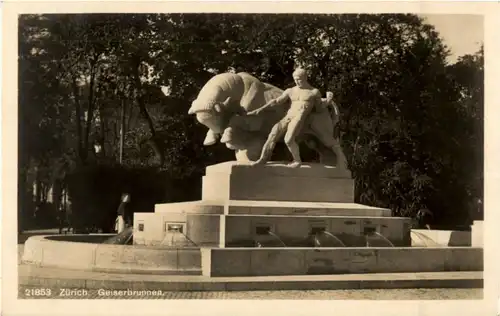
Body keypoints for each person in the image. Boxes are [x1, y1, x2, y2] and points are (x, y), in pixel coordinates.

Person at [248, 68, 347, 168]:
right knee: (273, 134)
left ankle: (297, 160)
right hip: (288, 116)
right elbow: (277, 101)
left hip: (299, 118)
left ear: (305, 78)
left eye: (299, 79)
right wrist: (260, 110)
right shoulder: (291, 91)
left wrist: (329, 100)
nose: (296, 81)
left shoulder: (313, 92)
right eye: (295, 79)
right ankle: (263, 159)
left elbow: (319, 108)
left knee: (288, 139)